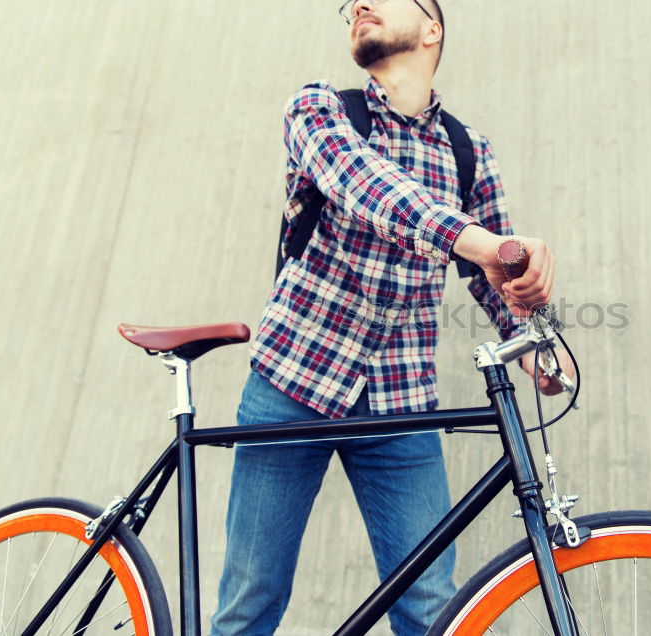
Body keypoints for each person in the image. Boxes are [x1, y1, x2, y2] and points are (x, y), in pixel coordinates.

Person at [211, 1, 573, 633]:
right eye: (350, 5)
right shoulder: (319, 109)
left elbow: (494, 277)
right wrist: (483, 244)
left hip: (402, 405)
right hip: (292, 384)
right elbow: (366, 186)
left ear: (432, 28)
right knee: (252, 600)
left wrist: (539, 337)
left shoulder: (468, 151)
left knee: (432, 605)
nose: (361, 6)